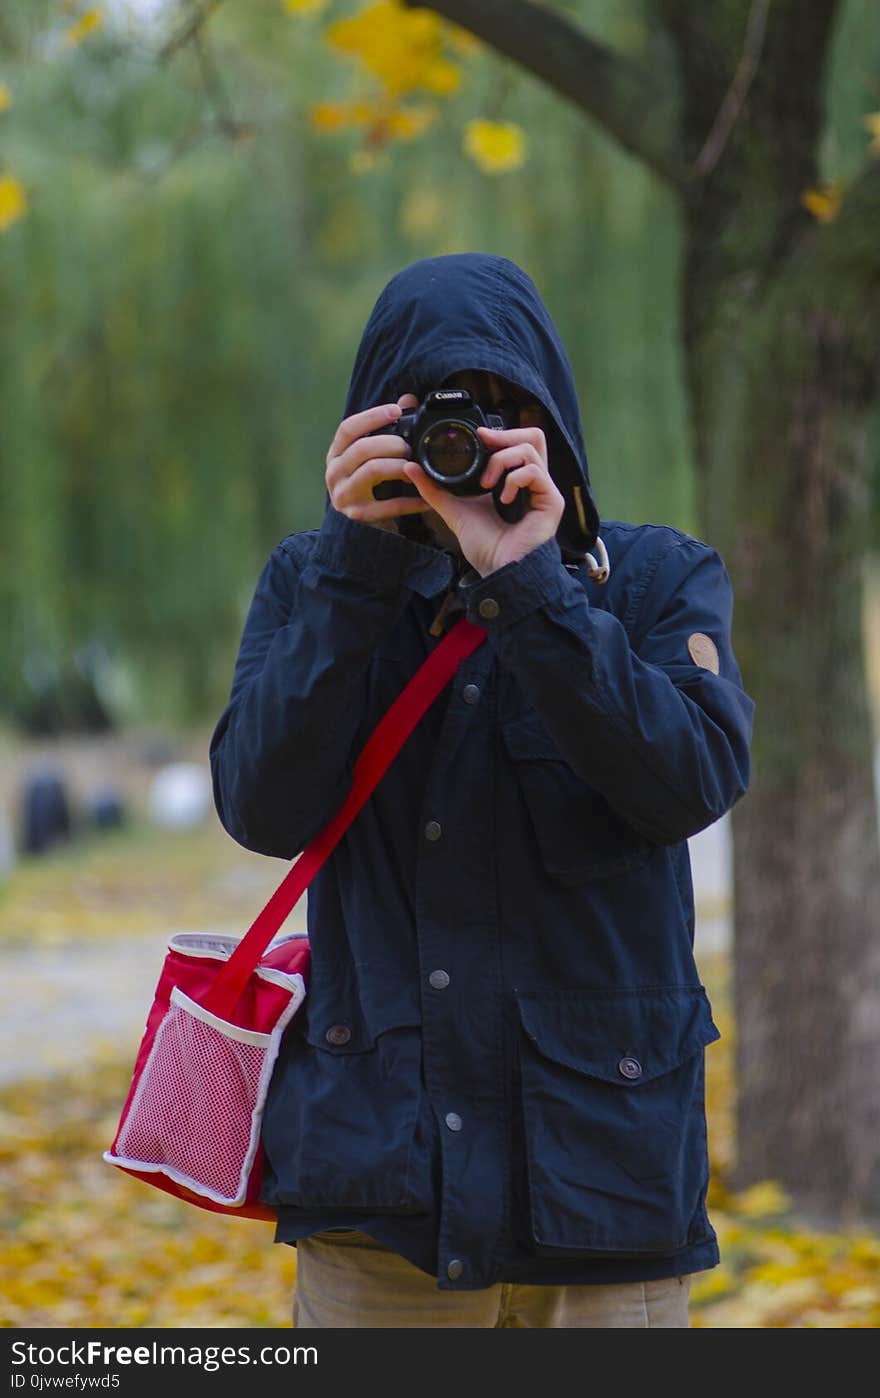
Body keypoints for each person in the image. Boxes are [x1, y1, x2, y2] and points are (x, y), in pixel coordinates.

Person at [208, 252, 754, 1328]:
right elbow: (259, 808)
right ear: (371, 426)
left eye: (501, 413)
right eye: (427, 419)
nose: (464, 444)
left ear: (551, 424)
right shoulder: (314, 584)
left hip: (603, 1195)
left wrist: (534, 586)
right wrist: (353, 569)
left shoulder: (652, 581)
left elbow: (689, 783)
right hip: (383, 1200)